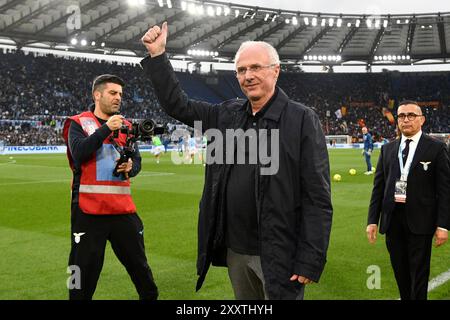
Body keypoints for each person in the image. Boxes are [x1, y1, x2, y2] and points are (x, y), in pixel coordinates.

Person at [140, 22, 332, 300]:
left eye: (255, 68)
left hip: (279, 252)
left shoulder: (301, 119)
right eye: (241, 70)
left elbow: (317, 196)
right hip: (236, 251)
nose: (248, 76)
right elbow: (177, 105)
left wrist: (311, 257)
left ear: (275, 71)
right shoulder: (226, 115)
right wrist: (158, 57)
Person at [62, 74, 158, 300]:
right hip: (88, 211)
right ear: (97, 95)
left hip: (123, 210)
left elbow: (136, 162)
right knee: (81, 271)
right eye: (113, 93)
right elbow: (79, 154)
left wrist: (131, 166)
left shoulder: (126, 126)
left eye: (121, 95)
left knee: (141, 268)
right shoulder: (78, 123)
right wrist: (105, 129)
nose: (118, 98)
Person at [366, 100, 450, 300]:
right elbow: (378, 188)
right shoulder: (388, 149)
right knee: (400, 273)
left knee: (419, 275)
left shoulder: (436, 148)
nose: (406, 120)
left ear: (421, 120)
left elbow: (445, 189)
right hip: (392, 220)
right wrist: (372, 220)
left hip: (421, 221)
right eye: (402, 116)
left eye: (411, 115)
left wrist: (443, 225)